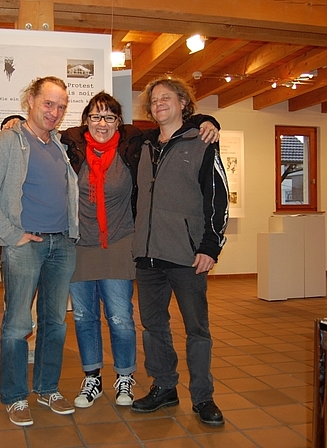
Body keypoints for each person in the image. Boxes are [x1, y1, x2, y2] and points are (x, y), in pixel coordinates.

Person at [3, 93, 219, 409]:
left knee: (120, 318)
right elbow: (40, 128)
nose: (102, 123)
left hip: (120, 243)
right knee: (84, 317)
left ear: (119, 121)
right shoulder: (71, 146)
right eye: (95, 116)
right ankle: (92, 377)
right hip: (81, 246)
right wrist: (17, 122)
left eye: (109, 117)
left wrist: (206, 121)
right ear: (85, 121)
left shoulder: (132, 144)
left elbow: (172, 125)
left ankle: (124, 377)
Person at [0, 76, 79, 427]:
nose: (55, 112)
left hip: (61, 244)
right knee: (18, 324)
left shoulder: (61, 146)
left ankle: (47, 388)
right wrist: (11, 235)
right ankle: (15, 396)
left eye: (61, 106)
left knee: (55, 323)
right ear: (31, 101)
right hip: (25, 245)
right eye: (49, 103)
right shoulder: (8, 141)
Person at [130, 75, 229, 427]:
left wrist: (210, 247)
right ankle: (164, 387)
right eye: (154, 100)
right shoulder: (142, 145)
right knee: (153, 327)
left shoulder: (203, 143)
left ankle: (203, 397)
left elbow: (218, 199)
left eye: (167, 97)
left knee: (197, 330)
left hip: (188, 256)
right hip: (147, 256)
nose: (159, 104)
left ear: (183, 103)